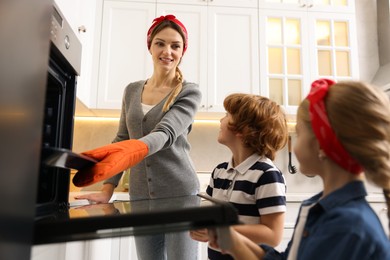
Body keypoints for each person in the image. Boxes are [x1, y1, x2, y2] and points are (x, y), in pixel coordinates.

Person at [207, 79, 390, 260]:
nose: (292, 145)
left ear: (321, 146)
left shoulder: (346, 226)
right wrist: (232, 240)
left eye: (299, 133)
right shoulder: (323, 209)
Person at [73, 15, 201, 260]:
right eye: (160, 43)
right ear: (150, 46)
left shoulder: (189, 91)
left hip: (181, 194)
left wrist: (130, 150)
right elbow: (121, 138)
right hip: (141, 196)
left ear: (183, 51)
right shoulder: (132, 90)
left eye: (175, 46)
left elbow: (165, 134)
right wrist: (107, 188)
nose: (167, 51)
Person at [190, 93, 288, 259]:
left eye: (227, 115)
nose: (220, 121)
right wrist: (199, 226)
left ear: (243, 130)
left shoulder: (267, 175)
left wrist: (218, 231)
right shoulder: (219, 172)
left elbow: (273, 235)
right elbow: (209, 217)